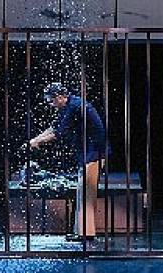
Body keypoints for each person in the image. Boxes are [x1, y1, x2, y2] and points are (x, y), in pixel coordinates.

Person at [25, 82, 110, 241]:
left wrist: (38, 142)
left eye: (51, 101)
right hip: (87, 153)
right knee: (82, 192)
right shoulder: (69, 105)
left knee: (86, 194)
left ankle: (86, 234)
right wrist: (36, 139)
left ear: (59, 97)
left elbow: (59, 133)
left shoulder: (75, 107)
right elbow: (54, 127)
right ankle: (81, 232)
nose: (51, 105)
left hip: (94, 153)